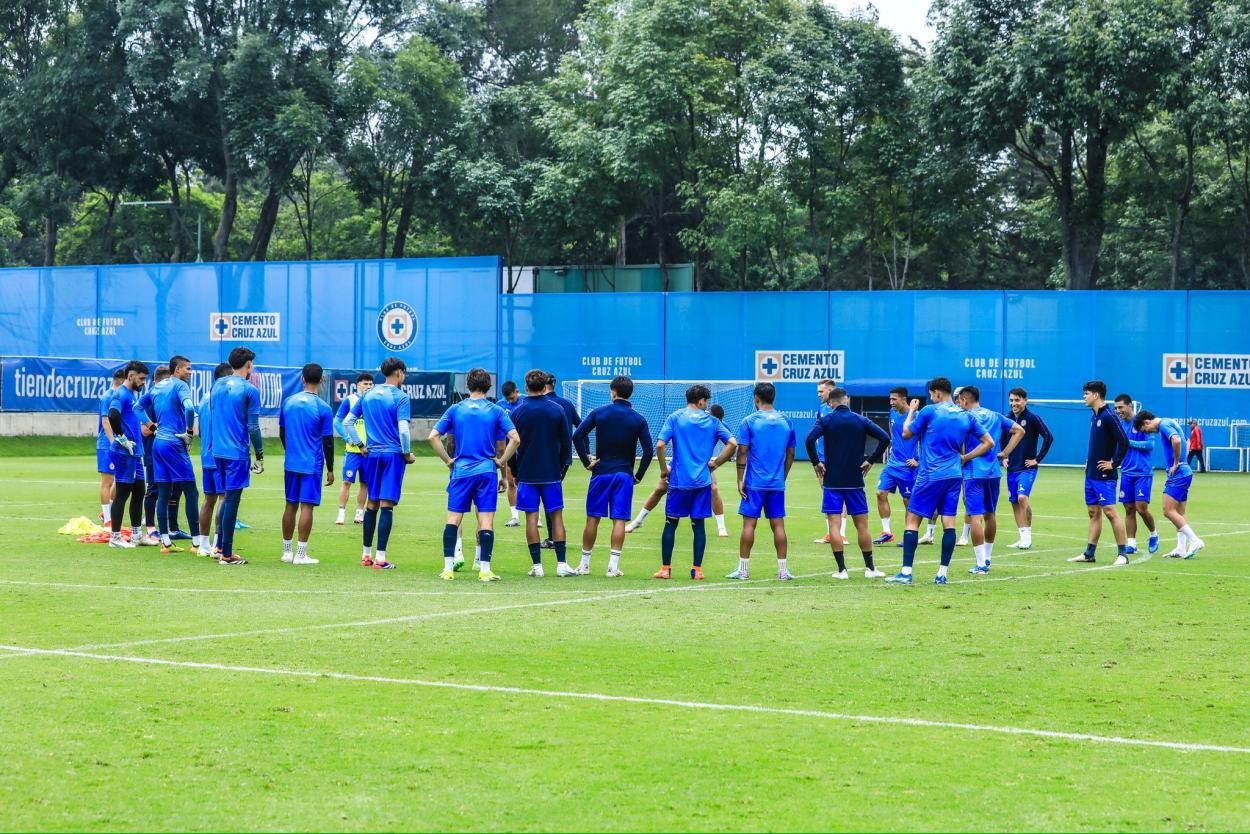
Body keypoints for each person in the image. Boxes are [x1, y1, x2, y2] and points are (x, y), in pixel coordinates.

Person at [886, 377, 994, 585]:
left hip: (930, 474)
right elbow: (989, 442)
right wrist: (965, 458)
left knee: (912, 520)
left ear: (936, 393)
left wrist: (911, 411)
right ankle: (942, 573)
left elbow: (907, 433)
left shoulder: (930, 410)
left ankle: (906, 572)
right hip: (954, 475)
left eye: (931, 394)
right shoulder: (966, 415)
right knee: (949, 524)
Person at [429, 368, 519, 582]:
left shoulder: (455, 409)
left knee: (453, 519)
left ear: (468, 385)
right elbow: (515, 438)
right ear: (488, 386)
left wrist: (449, 461)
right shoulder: (496, 410)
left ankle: (448, 568)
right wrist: (501, 461)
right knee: (486, 519)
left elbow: (433, 437)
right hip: (486, 471)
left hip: (461, 471)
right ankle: (485, 569)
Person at [653, 384, 737, 580]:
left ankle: (666, 569)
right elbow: (733, 443)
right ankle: (696, 570)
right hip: (701, 482)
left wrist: (664, 470)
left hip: (679, 481)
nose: (706, 405)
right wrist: (715, 463)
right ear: (701, 401)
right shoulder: (713, 421)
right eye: (706, 401)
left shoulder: (675, 417)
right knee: (698, 526)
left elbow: (660, 444)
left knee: (670, 524)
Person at [572, 375, 654, 577]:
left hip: (601, 472)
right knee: (619, 520)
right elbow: (648, 451)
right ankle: (613, 567)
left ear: (613, 392)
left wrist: (586, 462)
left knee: (592, 518)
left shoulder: (599, 413)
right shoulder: (638, 419)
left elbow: (577, 435)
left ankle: (584, 564)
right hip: (624, 474)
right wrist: (639, 475)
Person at [805, 384, 889, 579]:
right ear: (847, 400)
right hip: (855, 481)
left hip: (832, 481)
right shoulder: (860, 420)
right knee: (862, 526)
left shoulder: (825, 420)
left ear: (831, 403)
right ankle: (870, 569)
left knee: (834, 525)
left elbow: (809, 440)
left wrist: (816, 463)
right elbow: (885, 438)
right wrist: (870, 460)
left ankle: (842, 570)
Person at [345, 357, 416, 570]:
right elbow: (403, 429)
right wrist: (407, 453)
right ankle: (381, 558)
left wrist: (360, 444)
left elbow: (348, 422)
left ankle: (366, 555)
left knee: (372, 504)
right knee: (387, 506)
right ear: (400, 373)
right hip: (393, 454)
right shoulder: (401, 397)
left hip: (372, 454)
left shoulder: (367, 395)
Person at [624, 402, 730, 536]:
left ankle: (721, 526)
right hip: (680, 462)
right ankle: (638, 521)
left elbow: (731, 444)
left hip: (701, 464)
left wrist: (715, 462)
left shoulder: (718, 425)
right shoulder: (688, 420)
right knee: (660, 488)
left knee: (713, 488)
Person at [729, 382, 795, 580]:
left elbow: (742, 451)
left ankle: (743, 570)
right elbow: (790, 453)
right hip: (776, 483)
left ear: (756, 398)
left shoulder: (749, 421)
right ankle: (783, 571)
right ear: (773, 398)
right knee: (779, 525)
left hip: (754, 483)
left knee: (749, 525)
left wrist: (740, 479)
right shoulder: (787, 421)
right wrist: (783, 475)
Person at [511, 369, 574, 577]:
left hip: (527, 472)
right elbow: (566, 442)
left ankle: (537, 566)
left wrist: (514, 470)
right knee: (556, 516)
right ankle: (562, 564)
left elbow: (513, 444)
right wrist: (562, 466)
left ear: (526, 387)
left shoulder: (518, 412)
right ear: (546, 386)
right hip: (551, 472)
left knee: (531, 518)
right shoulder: (556, 410)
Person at [956, 386, 1024, 574]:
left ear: (965, 400)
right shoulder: (995, 415)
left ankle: (979, 564)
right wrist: (1004, 453)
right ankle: (987, 559)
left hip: (973, 473)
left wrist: (965, 457)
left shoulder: (965, 417)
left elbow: (958, 443)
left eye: (960, 401)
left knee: (975, 517)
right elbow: (1019, 431)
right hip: (993, 473)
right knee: (990, 515)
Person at [210, 347, 266, 566]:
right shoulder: (250, 390)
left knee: (225, 497)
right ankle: (226, 554)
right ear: (249, 365)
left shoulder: (217, 385)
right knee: (232, 500)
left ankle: (220, 546)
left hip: (218, 451)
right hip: (236, 452)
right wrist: (259, 454)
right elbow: (253, 427)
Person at [142, 355, 202, 554]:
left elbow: (137, 407)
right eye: (187, 368)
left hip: (158, 444)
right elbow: (190, 407)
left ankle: (166, 543)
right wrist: (189, 432)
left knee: (164, 492)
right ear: (177, 370)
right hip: (174, 443)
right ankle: (196, 543)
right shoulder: (180, 385)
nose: (190, 372)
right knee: (191, 492)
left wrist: (151, 425)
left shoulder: (158, 386)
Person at [1066, 380, 1130, 565]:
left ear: (1096, 395)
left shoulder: (1109, 416)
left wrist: (1114, 463)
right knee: (1094, 513)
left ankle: (1122, 555)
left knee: (1110, 512)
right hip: (1091, 474)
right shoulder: (1095, 416)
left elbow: (1124, 441)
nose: (1084, 397)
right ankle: (1089, 553)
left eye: (1086, 394)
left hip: (1104, 476)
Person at [278, 363, 336, 565]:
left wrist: (291, 451)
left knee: (290, 505)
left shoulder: (288, 402)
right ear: (321, 380)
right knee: (307, 507)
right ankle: (301, 554)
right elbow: (328, 441)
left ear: (302, 379)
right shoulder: (324, 408)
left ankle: (286, 552)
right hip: (311, 464)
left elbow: (282, 434)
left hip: (291, 463)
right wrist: (330, 469)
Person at [1134, 411, 1205, 558]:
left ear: (1146, 423)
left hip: (1178, 473)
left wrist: (1176, 462)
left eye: (1145, 430)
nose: (1148, 433)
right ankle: (1181, 548)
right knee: (1179, 512)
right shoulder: (1169, 421)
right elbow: (1186, 440)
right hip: (1185, 472)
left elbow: (1177, 440)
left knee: (1168, 510)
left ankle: (1195, 540)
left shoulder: (1164, 425)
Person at [106, 361, 151, 549]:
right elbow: (113, 415)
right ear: (131, 376)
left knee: (140, 491)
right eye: (141, 379)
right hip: (124, 452)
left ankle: (136, 535)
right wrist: (122, 438)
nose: (143, 383)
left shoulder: (132, 395)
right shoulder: (121, 394)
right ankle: (115, 537)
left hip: (135, 453)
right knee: (123, 493)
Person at [1003, 387, 1053, 550]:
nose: (1013, 403)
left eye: (1017, 400)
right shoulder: (1008, 418)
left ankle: (1028, 537)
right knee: (1014, 502)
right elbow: (1003, 439)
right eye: (1011, 400)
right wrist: (1004, 457)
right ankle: (1022, 537)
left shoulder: (1032, 418)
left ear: (1025, 400)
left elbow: (1048, 437)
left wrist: (1037, 459)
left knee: (1022, 498)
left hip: (1027, 468)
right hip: (1012, 468)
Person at [1114, 394, 1159, 555]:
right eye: (1116, 408)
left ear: (1130, 406)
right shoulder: (1119, 425)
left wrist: (1129, 442)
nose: (1118, 411)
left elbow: (1150, 445)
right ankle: (1131, 543)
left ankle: (1153, 534)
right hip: (1126, 472)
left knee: (1141, 508)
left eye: (1121, 407)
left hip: (1142, 473)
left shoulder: (1140, 422)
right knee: (1128, 508)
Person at [196, 363, 232, 558]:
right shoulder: (222, 400)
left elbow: (201, 432)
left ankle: (203, 544)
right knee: (224, 498)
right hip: (220, 456)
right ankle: (219, 545)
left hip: (205, 456)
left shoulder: (204, 399)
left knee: (208, 499)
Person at [874, 386, 918, 546]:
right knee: (880, 493)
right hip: (892, 464)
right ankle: (887, 532)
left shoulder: (916, 416)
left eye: (894, 399)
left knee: (907, 501)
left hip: (908, 467)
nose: (891, 402)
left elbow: (925, 439)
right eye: (890, 399)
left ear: (903, 399)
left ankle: (909, 535)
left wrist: (918, 459)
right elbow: (894, 434)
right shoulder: (892, 413)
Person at [540, 374, 581, 547]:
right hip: (563, 458)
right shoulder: (566, 403)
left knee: (547, 497)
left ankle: (553, 537)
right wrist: (585, 455)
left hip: (544, 457)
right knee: (552, 494)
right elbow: (581, 427)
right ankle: (555, 536)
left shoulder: (540, 405)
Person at [334, 372, 374, 526]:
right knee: (346, 482)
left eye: (371, 384)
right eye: (365, 383)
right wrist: (347, 438)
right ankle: (341, 514)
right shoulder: (350, 400)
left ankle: (359, 513)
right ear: (358, 385)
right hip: (353, 451)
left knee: (365, 483)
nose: (368, 387)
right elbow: (337, 422)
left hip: (369, 451)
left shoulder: (373, 401)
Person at [96, 368, 126, 522]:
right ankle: (108, 519)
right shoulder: (108, 397)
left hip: (119, 444)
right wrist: (113, 442)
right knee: (107, 481)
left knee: (121, 480)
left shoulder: (119, 396)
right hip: (107, 445)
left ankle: (108, 513)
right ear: (121, 381)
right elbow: (105, 421)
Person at [499, 380, 522, 527]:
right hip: (509, 448)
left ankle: (536, 516)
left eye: (512, 398)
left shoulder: (526, 401)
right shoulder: (500, 406)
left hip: (526, 448)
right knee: (511, 481)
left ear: (517, 391)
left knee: (529, 483)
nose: (510, 401)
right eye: (508, 399)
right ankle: (515, 517)